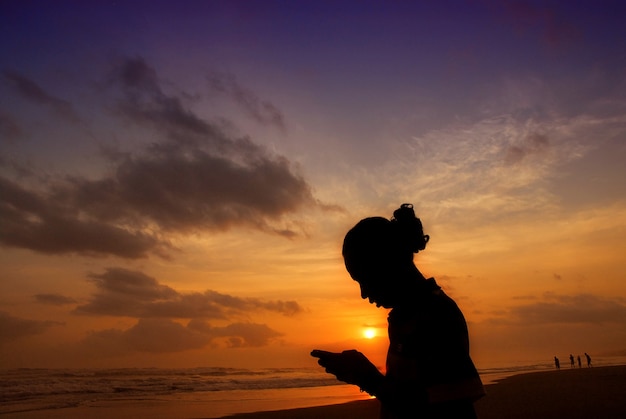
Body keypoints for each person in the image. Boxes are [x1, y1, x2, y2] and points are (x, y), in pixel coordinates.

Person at [312, 204, 485, 418]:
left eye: (365, 279)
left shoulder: (437, 315)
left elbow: (450, 410)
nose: (363, 293)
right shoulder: (403, 317)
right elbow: (408, 395)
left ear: (389, 263)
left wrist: (369, 379)